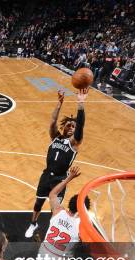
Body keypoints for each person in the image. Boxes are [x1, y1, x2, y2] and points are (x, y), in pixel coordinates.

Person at [25, 88, 88, 238]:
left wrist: (80, 103)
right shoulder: (55, 137)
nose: (71, 128)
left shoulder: (74, 143)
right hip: (46, 175)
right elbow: (53, 121)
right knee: (38, 203)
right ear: (64, 127)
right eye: (69, 125)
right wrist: (59, 104)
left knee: (55, 209)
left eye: (74, 126)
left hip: (59, 179)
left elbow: (80, 129)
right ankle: (33, 224)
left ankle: (51, 233)